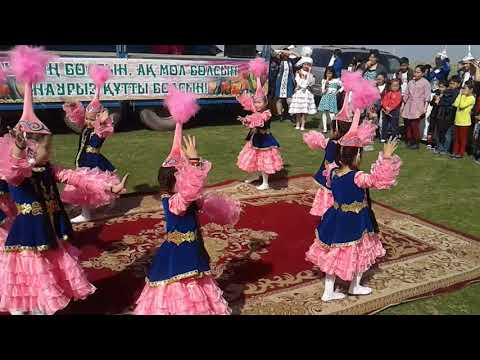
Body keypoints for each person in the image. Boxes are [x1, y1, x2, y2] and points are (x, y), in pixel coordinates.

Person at [0, 46, 128, 315]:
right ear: (33, 149)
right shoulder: (20, 172)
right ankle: (24, 307)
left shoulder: (48, 169)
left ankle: (43, 303)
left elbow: (75, 177)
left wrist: (107, 186)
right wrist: (17, 150)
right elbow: (13, 171)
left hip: (51, 225)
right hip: (28, 231)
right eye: (48, 149)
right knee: (30, 271)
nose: (51, 153)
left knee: (51, 267)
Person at [134, 86, 236, 315]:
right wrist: (195, 163)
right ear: (173, 182)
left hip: (193, 249)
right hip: (177, 256)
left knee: (198, 287)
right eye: (183, 174)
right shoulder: (173, 201)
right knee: (177, 291)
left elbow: (196, 195)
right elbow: (189, 191)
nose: (188, 177)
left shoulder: (187, 199)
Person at [305, 75, 400, 301]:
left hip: (335, 216)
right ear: (356, 155)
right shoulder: (358, 177)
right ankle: (353, 286)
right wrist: (386, 157)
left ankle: (329, 290)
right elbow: (378, 180)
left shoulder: (332, 172)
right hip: (356, 220)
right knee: (357, 251)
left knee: (334, 251)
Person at [62, 65, 119, 223]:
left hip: (92, 164)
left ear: (98, 119)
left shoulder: (99, 130)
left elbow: (104, 131)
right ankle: (89, 210)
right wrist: (72, 105)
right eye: (87, 118)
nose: (87, 121)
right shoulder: (86, 126)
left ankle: (86, 214)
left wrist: (102, 122)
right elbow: (78, 116)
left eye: (91, 119)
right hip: (83, 161)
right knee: (84, 188)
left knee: (87, 187)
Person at [237, 58, 283, 190]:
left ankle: (265, 182)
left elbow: (259, 121)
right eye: (255, 102)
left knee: (264, 160)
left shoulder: (267, 113)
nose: (257, 105)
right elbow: (252, 120)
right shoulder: (256, 112)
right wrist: (245, 120)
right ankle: (255, 176)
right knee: (254, 158)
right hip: (256, 138)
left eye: (259, 103)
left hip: (265, 140)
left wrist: (250, 120)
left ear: (265, 103)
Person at [401, 65, 432, 149]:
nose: (416, 73)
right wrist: (403, 106)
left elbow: (427, 97)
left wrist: (425, 108)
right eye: (415, 71)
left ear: (422, 73)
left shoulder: (426, 83)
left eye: (418, 72)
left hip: (418, 105)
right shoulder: (411, 82)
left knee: (414, 125)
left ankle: (416, 142)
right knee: (407, 124)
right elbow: (406, 94)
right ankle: (409, 140)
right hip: (409, 105)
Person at [435, 76, 462, 155]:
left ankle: (445, 149)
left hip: (449, 115)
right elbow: (442, 100)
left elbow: (450, 102)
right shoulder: (447, 91)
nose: (451, 85)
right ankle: (439, 147)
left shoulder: (457, 93)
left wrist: (440, 101)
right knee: (440, 132)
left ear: (458, 84)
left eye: (453, 84)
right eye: (450, 83)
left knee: (447, 133)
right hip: (441, 114)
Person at [289, 56, 317, 131]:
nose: (306, 66)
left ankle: (303, 124)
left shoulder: (311, 74)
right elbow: (298, 81)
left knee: (305, 110)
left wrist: (309, 75)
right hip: (299, 91)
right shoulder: (299, 72)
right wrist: (301, 86)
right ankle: (298, 123)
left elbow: (311, 83)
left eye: (308, 64)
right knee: (298, 109)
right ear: (302, 64)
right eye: (305, 64)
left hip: (306, 93)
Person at [451, 82, 476, 159]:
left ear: (471, 90)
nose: (463, 90)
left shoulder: (472, 98)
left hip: (464, 122)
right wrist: (459, 95)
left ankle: (460, 153)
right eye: (463, 88)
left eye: (465, 88)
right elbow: (455, 104)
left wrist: (461, 95)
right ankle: (455, 152)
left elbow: (461, 105)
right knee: (456, 138)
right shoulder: (462, 95)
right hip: (457, 120)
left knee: (462, 138)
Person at [273, 48, 297, 121]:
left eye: (287, 53)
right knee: (279, 99)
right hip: (279, 82)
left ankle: (291, 115)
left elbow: (299, 56)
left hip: (289, 82)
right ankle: (280, 115)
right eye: (285, 53)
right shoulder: (278, 61)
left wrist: (291, 52)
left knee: (289, 100)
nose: (286, 54)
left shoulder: (291, 61)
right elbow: (273, 54)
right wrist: (281, 51)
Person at [318, 66, 343, 133]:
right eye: (327, 73)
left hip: (332, 98)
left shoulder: (336, 80)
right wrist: (325, 84)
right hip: (325, 97)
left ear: (333, 73)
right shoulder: (324, 80)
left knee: (332, 113)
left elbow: (343, 85)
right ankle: (325, 128)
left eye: (330, 73)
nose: (328, 75)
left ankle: (333, 127)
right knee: (324, 113)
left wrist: (339, 91)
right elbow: (323, 91)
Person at [426, 80, 448, 150]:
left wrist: (440, 100)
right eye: (440, 87)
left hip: (441, 115)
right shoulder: (436, 93)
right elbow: (431, 104)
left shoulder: (447, 95)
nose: (441, 89)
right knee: (431, 128)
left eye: (442, 87)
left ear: (446, 88)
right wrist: (434, 100)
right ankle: (429, 143)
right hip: (434, 114)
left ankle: (436, 143)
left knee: (438, 130)